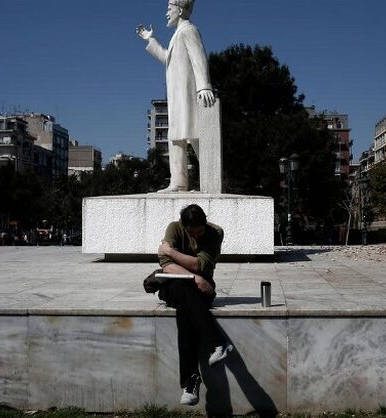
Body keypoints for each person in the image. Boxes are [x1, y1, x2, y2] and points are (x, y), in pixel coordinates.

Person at [136, 0, 216, 193]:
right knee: (176, 136)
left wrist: (204, 86)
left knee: (196, 136)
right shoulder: (176, 35)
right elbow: (167, 59)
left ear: (180, 10)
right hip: (176, 95)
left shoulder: (189, 30)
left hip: (188, 94)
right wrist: (150, 40)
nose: (166, 13)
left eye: (169, 9)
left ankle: (211, 181)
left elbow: (199, 57)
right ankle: (178, 182)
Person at [157, 204, 232, 406]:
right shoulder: (174, 228)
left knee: (184, 309)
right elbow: (165, 263)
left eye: (200, 231)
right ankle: (217, 341)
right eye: (193, 232)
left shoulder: (215, 232)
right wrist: (194, 278)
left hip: (202, 288)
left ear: (205, 223)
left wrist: (171, 251)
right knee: (183, 289)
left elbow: (202, 265)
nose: (197, 236)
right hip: (176, 285)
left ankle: (191, 382)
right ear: (184, 226)